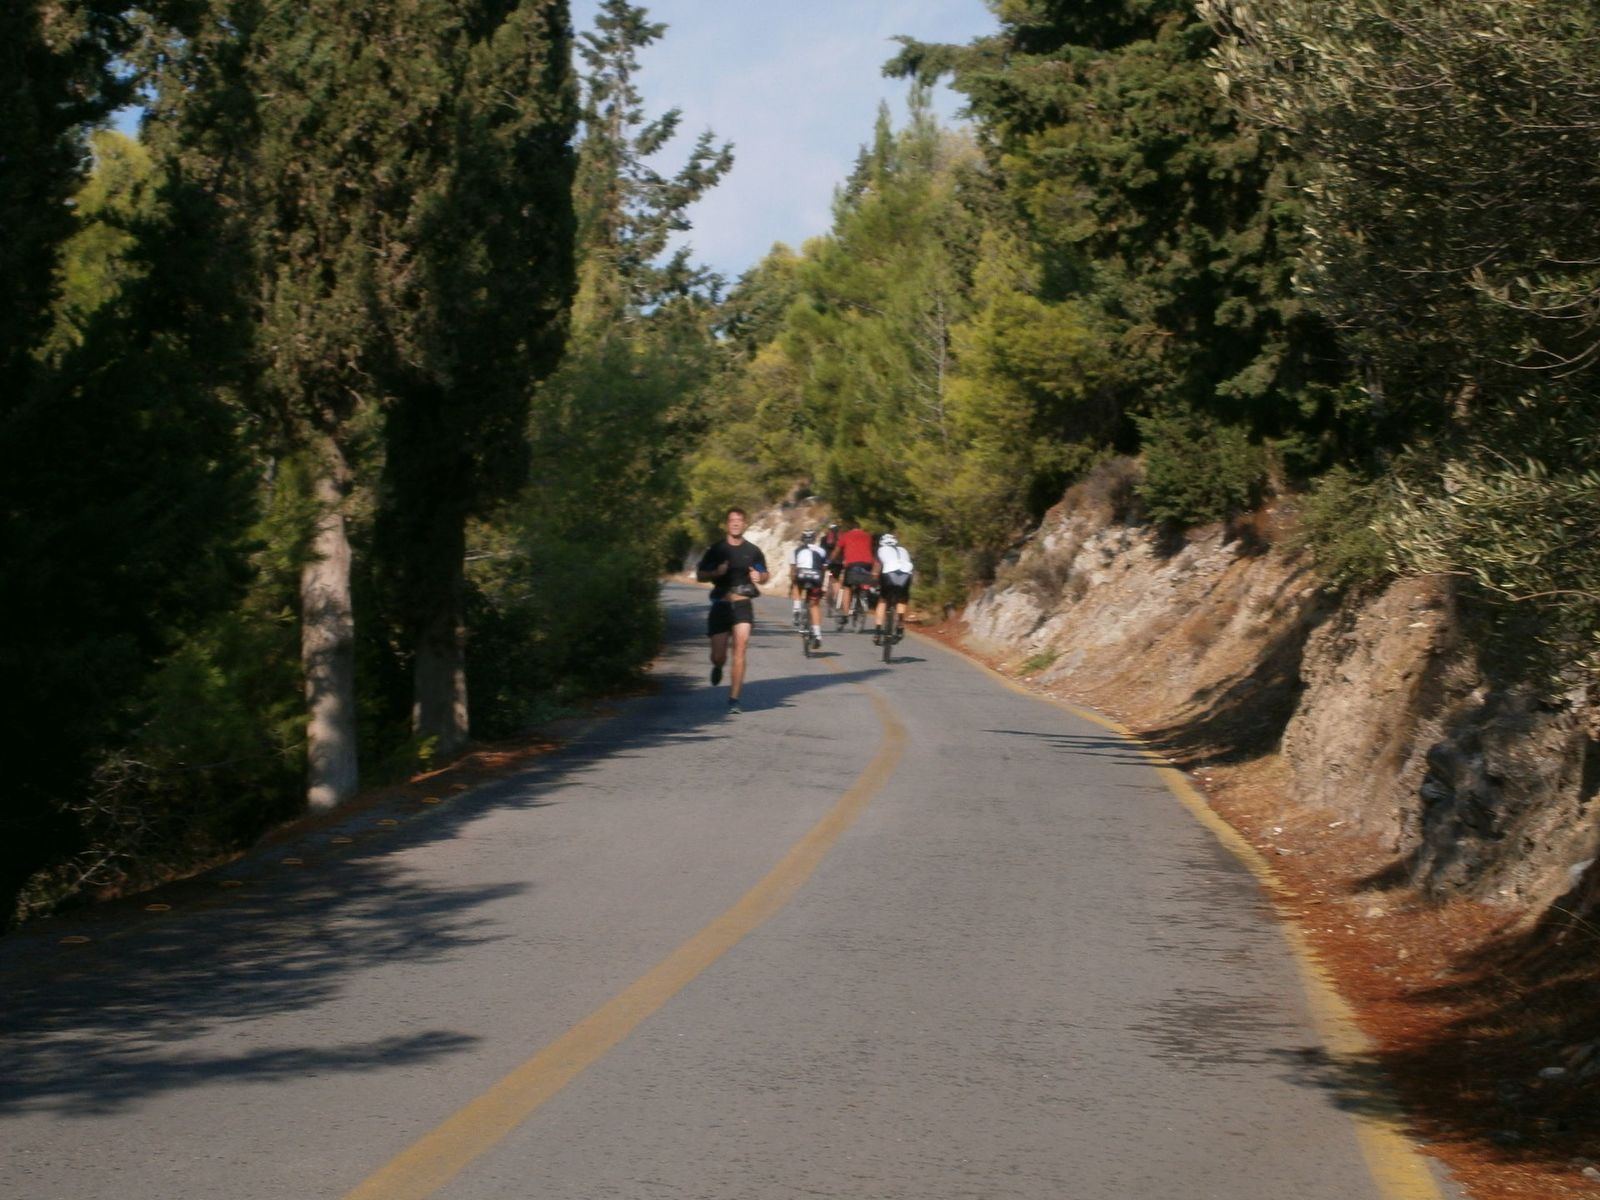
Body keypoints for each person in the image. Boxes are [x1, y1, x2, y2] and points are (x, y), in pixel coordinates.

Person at [696, 507, 768, 714]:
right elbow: (700, 575)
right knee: (718, 656)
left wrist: (760, 577)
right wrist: (715, 572)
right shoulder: (716, 550)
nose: (735, 523)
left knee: (740, 648)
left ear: (744, 524)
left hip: (743, 604)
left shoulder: (753, 551)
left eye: (739, 520)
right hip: (721, 604)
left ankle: (734, 699)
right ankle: (718, 666)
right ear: (727, 524)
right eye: (732, 520)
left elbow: (764, 573)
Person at [829, 520, 875, 627]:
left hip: (852, 565)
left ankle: (845, 614)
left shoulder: (845, 536)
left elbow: (837, 550)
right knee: (864, 582)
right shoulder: (868, 536)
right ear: (860, 528)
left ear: (850, 529)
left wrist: (830, 561)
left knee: (847, 588)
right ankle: (863, 598)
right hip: (868, 564)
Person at [873, 532, 914, 645]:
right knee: (902, 599)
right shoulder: (903, 550)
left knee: (882, 600)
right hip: (906, 574)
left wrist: (874, 582)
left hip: (889, 574)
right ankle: (900, 624)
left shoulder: (881, 550)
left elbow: (876, 569)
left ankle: (877, 632)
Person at [790, 529, 829, 650]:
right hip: (816, 577)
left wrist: (793, 582)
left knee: (796, 583)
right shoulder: (821, 550)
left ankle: (796, 608)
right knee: (814, 605)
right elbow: (824, 569)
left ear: (802, 539)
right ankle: (817, 634)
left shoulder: (796, 550)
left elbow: (793, 571)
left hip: (802, 575)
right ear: (814, 539)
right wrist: (823, 586)